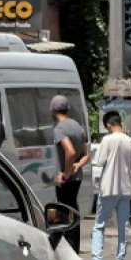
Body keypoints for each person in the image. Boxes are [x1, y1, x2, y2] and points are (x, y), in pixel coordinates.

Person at [90, 111, 131, 260]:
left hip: (108, 188)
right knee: (123, 226)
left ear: (108, 125)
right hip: (125, 189)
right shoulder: (130, 142)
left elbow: (98, 161)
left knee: (99, 225)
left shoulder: (107, 140)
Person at [51, 95, 88, 252]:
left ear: (52, 110)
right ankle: (72, 249)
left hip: (67, 180)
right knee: (72, 212)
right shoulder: (77, 126)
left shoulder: (60, 128)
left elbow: (70, 151)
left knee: (63, 215)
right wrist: (77, 166)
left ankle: (64, 250)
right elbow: (86, 154)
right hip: (77, 178)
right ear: (68, 109)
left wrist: (65, 174)